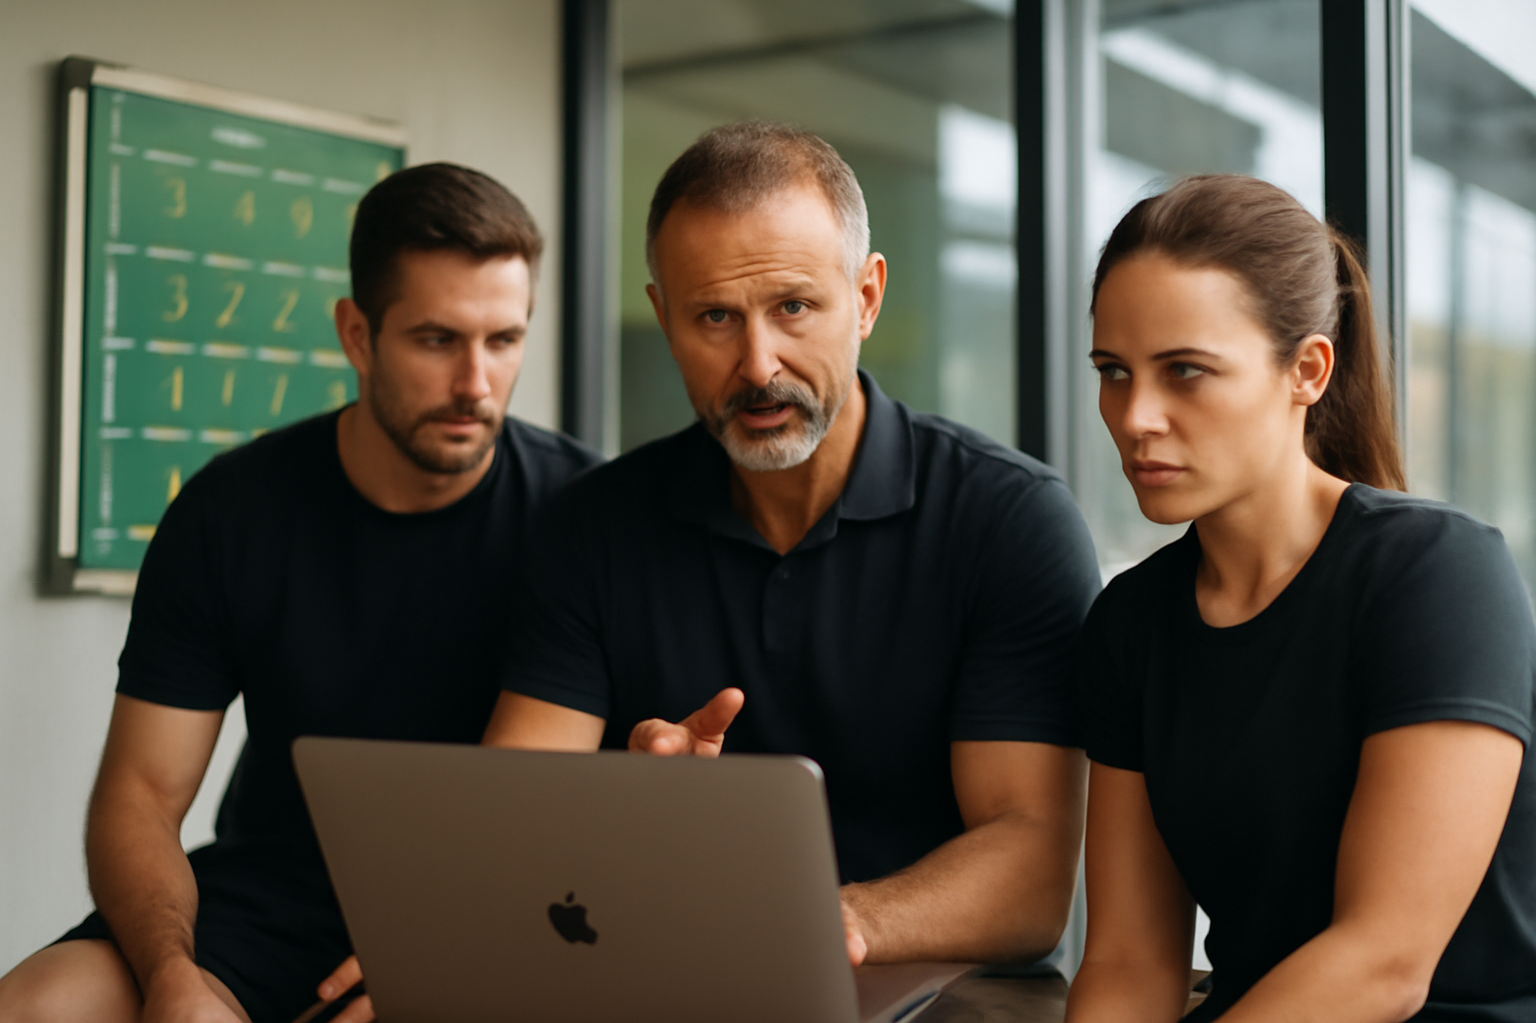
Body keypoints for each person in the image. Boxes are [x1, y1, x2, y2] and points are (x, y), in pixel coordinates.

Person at [485, 122, 1102, 967]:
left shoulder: (1009, 520)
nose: (757, 365)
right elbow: (508, 829)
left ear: (867, 298)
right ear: (664, 318)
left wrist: (818, 925)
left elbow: (1032, 880)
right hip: (683, 978)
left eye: (794, 308)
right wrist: (623, 815)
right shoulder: (591, 527)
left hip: (947, 999)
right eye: (715, 316)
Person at [0, 163, 600, 1023]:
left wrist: (433, 959)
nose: (476, 382)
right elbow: (140, 795)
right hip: (275, 891)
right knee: (37, 1005)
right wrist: (173, 977)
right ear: (357, 334)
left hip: (503, 899)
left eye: (503, 340)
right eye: (437, 340)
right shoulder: (230, 511)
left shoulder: (588, 515)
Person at [1065, 174, 1536, 1023]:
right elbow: (1131, 962)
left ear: (1307, 371)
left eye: (1185, 372)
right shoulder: (1131, 625)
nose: (1136, 418)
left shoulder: (1436, 574)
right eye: (1114, 372)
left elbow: (1384, 963)